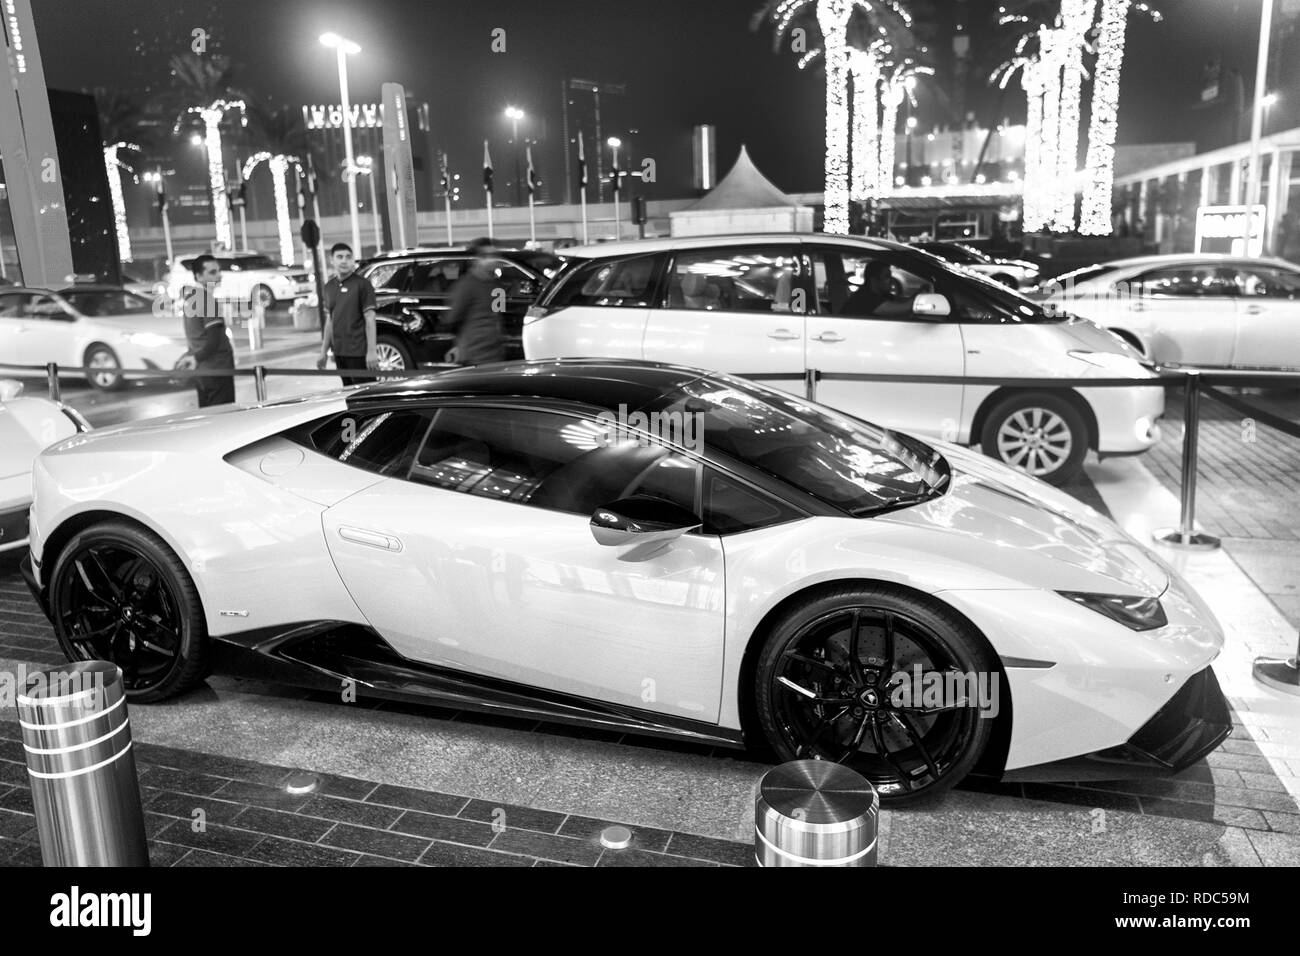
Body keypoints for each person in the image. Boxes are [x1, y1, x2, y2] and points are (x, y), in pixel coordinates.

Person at [178, 254, 236, 407]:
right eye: (212, 272)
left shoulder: (191, 299)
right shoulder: (206, 300)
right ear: (198, 276)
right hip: (217, 369)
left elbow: (194, 335)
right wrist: (197, 358)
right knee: (223, 420)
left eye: (218, 271)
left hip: (202, 372)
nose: (219, 275)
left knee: (207, 418)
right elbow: (214, 340)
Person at [317, 242, 377, 385]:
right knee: (347, 393)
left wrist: (372, 352)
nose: (344, 260)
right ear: (332, 260)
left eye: (348, 257)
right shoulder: (328, 287)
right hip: (339, 353)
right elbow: (330, 321)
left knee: (366, 395)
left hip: (359, 353)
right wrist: (323, 352)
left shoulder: (363, 284)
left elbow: (370, 318)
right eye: (340, 257)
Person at [442, 237, 507, 365]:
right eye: (487, 256)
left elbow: (498, 315)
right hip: (474, 356)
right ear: (478, 260)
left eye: (495, 255)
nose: (493, 259)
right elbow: (452, 318)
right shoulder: (466, 285)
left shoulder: (497, 286)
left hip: (495, 355)